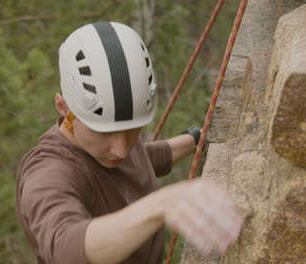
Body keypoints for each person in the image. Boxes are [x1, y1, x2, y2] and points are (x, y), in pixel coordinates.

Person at [15, 21, 243, 264]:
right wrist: (162, 204)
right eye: (105, 133)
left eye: (133, 131)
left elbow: (143, 159)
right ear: (64, 108)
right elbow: (63, 245)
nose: (121, 149)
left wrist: (195, 139)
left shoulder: (109, 150)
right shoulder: (47, 173)